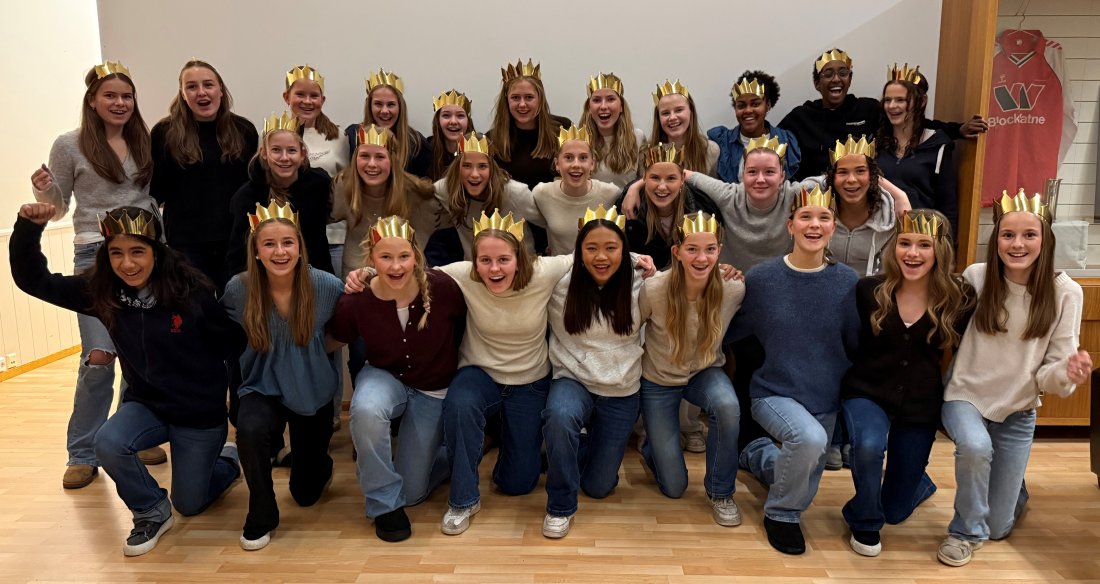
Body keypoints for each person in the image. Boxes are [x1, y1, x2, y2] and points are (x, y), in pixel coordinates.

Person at [11, 203, 243, 556]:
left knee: (191, 503)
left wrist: (232, 406)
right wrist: (29, 227)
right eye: (116, 253)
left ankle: (226, 461)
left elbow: (232, 344)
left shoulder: (190, 292)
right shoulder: (102, 290)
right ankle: (150, 511)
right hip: (147, 406)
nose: (127, 263)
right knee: (107, 442)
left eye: (138, 251)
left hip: (198, 415)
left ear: (157, 252)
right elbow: (34, 281)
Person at [937, 190, 1091, 567]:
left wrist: (1067, 374)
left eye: (1029, 235)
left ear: (1045, 239)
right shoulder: (977, 276)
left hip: (1018, 409)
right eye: (1008, 235)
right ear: (997, 240)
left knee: (999, 527)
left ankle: (1010, 489)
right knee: (975, 448)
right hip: (965, 396)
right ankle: (963, 532)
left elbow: (1052, 371)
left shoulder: (1067, 293)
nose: (1017, 244)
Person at [31, 60, 162, 487]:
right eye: (111, 95)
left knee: (141, 351)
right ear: (93, 100)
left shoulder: (145, 141)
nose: (120, 103)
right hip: (95, 256)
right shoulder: (69, 145)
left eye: (126, 96)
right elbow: (58, 208)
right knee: (99, 356)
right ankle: (82, 451)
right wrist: (42, 190)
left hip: (145, 254)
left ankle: (133, 434)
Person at [731, 186, 860, 555]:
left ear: (833, 227)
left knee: (802, 473)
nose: (814, 224)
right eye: (805, 217)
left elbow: (853, 344)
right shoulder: (762, 279)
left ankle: (756, 454)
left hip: (824, 398)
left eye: (823, 218)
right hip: (773, 392)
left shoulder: (846, 281)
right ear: (790, 226)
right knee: (808, 442)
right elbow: (729, 326)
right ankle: (781, 515)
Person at [841, 209, 974, 557]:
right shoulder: (868, 290)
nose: (912, 253)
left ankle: (916, 483)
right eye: (904, 243)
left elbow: (972, 352)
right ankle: (864, 521)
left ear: (939, 250)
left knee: (897, 512)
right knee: (869, 447)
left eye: (923, 245)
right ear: (893, 247)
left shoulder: (959, 299)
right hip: (867, 393)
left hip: (919, 405)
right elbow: (851, 345)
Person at [329, 216, 466, 542]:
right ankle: (383, 504)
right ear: (371, 259)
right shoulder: (358, 299)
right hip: (384, 375)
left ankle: (443, 454)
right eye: (385, 257)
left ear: (416, 256)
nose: (395, 265)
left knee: (414, 492)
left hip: (432, 387)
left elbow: (465, 329)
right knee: (364, 411)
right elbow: (334, 339)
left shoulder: (443, 288)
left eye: (403, 256)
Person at [221, 201, 343, 551]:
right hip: (263, 385)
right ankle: (261, 510)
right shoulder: (238, 288)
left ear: (300, 246)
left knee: (306, 494)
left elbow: (346, 329)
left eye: (288, 242)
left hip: (312, 389)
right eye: (269, 244)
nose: (279, 251)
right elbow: (222, 338)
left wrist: (319, 348)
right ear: (256, 251)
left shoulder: (326, 286)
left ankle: (318, 465)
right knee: (250, 427)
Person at [541, 206, 645, 538]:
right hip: (573, 379)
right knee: (559, 416)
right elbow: (510, 263)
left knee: (600, 487)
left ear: (624, 249)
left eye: (611, 248)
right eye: (591, 248)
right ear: (578, 251)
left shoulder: (644, 279)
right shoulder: (558, 282)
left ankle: (575, 446)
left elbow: (689, 277)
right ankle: (559, 506)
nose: (601, 256)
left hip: (621, 388)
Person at [638, 211, 745, 527]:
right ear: (677, 252)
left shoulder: (733, 288)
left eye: (710, 249)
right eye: (692, 249)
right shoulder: (655, 288)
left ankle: (720, 492)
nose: (702, 258)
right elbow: (631, 331)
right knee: (674, 488)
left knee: (727, 406)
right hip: (658, 378)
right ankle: (653, 447)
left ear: (719, 251)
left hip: (704, 371)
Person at [151, 59, 258, 291]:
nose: (201, 92)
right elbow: (156, 190)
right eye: (192, 86)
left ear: (220, 88)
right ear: (182, 93)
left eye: (208, 84)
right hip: (187, 247)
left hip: (236, 243)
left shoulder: (245, 131)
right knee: (197, 315)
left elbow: (252, 189)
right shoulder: (164, 133)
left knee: (236, 317)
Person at [226, 112, 333, 275]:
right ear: (264, 153)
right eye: (276, 150)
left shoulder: (319, 185)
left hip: (313, 276)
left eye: (291, 150)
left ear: (302, 154)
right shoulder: (247, 197)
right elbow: (238, 255)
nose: (284, 158)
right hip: (264, 280)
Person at [282, 64, 349, 277]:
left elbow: (347, 183)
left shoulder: (339, 137)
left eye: (314, 95)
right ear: (286, 97)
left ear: (323, 100)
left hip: (332, 237)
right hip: (286, 239)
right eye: (300, 94)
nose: (307, 101)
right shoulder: (274, 136)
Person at [876, 67, 958, 234]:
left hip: (918, 237)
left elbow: (948, 207)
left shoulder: (938, 146)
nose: (892, 106)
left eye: (900, 100)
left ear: (921, 101)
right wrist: (899, 195)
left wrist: (947, 249)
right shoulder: (874, 144)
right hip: (878, 237)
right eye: (887, 100)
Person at [779, 48, 882, 180]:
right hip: (815, 194)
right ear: (817, 84)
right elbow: (771, 146)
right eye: (828, 74)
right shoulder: (801, 117)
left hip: (859, 189)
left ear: (850, 80)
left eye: (843, 73)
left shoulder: (868, 109)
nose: (836, 79)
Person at [522, 126, 622, 255]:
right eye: (568, 158)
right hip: (559, 270)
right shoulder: (541, 193)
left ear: (592, 164)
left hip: (598, 269)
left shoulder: (611, 193)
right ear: (557, 164)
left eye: (583, 158)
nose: (576, 164)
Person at [708, 71, 801, 182]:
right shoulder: (721, 142)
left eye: (755, 104)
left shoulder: (786, 141)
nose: (748, 110)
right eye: (741, 105)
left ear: (768, 105)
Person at [345, 69, 430, 176]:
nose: (384, 111)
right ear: (369, 106)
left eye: (391, 105)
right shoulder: (353, 135)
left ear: (400, 107)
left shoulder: (416, 143)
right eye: (378, 104)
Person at [579, 73, 644, 187]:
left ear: (621, 106)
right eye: (597, 100)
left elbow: (647, 180)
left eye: (610, 99)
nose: (603, 106)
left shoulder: (637, 138)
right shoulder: (578, 141)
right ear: (589, 107)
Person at [648, 79, 719, 175]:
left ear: (691, 111)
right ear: (658, 118)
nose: (672, 117)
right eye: (665, 113)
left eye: (679, 110)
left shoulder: (710, 151)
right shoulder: (649, 153)